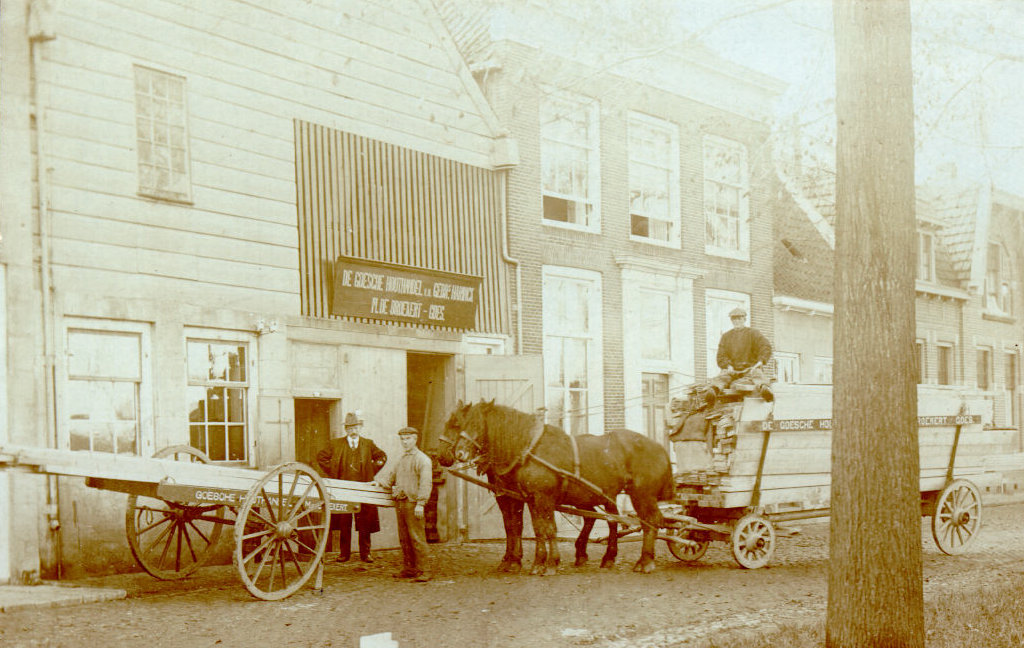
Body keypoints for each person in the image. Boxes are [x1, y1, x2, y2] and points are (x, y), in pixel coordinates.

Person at [316, 411, 387, 563]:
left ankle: (365, 553)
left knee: (365, 522)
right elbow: (321, 457)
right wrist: (334, 470)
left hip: (363, 489)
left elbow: (382, 457)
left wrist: (370, 471)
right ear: (345, 429)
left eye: (355, 427)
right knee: (344, 522)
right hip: (344, 490)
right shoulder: (335, 444)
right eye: (349, 428)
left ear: (360, 427)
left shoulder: (368, 444)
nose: (352, 431)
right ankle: (344, 554)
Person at [374, 426, 433, 582]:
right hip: (401, 503)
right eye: (402, 439)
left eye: (408, 439)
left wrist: (421, 503)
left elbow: (426, 484)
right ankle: (409, 568)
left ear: (415, 439)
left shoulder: (423, 460)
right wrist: (379, 483)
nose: (405, 442)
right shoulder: (402, 459)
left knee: (417, 538)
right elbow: (390, 477)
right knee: (404, 538)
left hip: (413, 504)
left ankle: (425, 570)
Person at [709, 306, 773, 401]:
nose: (737, 321)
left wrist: (761, 361)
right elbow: (721, 355)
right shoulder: (726, 337)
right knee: (721, 378)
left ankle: (765, 390)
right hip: (732, 370)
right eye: (734, 319)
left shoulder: (753, 333)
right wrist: (728, 366)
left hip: (750, 369)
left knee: (758, 375)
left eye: (739, 319)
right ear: (731, 321)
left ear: (744, 319)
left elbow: (765, 346)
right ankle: (713, 391)